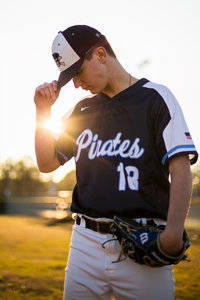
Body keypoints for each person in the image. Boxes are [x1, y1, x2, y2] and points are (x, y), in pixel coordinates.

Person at [34, 25, 198, 300]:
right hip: (85, 243)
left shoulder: (156, 98)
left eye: (77, 72)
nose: (75, 83)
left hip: (144, 239)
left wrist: (173, 231)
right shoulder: (81, 110)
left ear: (100, 54)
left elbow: (180, 168)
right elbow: (47, 163)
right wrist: (42, 111)